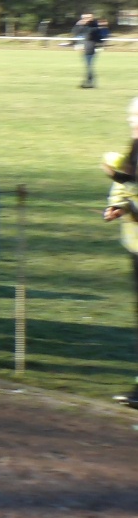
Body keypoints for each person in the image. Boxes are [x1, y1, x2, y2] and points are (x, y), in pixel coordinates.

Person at [101, 98, 138, 409]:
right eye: (132, 119)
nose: (134, 124)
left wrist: (130, 207)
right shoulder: (133, 149)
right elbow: (124, 185)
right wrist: (115, 205)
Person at [76, 13, 103, 88]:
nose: (85, 19)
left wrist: (82, 24)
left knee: (89, 66)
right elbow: (76, 32)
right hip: (87, 47)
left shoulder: (94, 26)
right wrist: (80, 24)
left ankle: (90, 82)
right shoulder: (86, 26)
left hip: (92, 48)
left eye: (87, 18)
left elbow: (90, 33)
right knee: (88, 66)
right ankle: (89, 82)